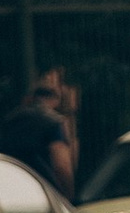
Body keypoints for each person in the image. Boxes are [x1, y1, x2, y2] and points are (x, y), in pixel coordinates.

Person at [3, 69, 78, 198]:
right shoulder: (54, 123)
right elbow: (62, 166)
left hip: (12, 190)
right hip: (45, 192)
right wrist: (68, 196)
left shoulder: (9, 121)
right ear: (56, 100)